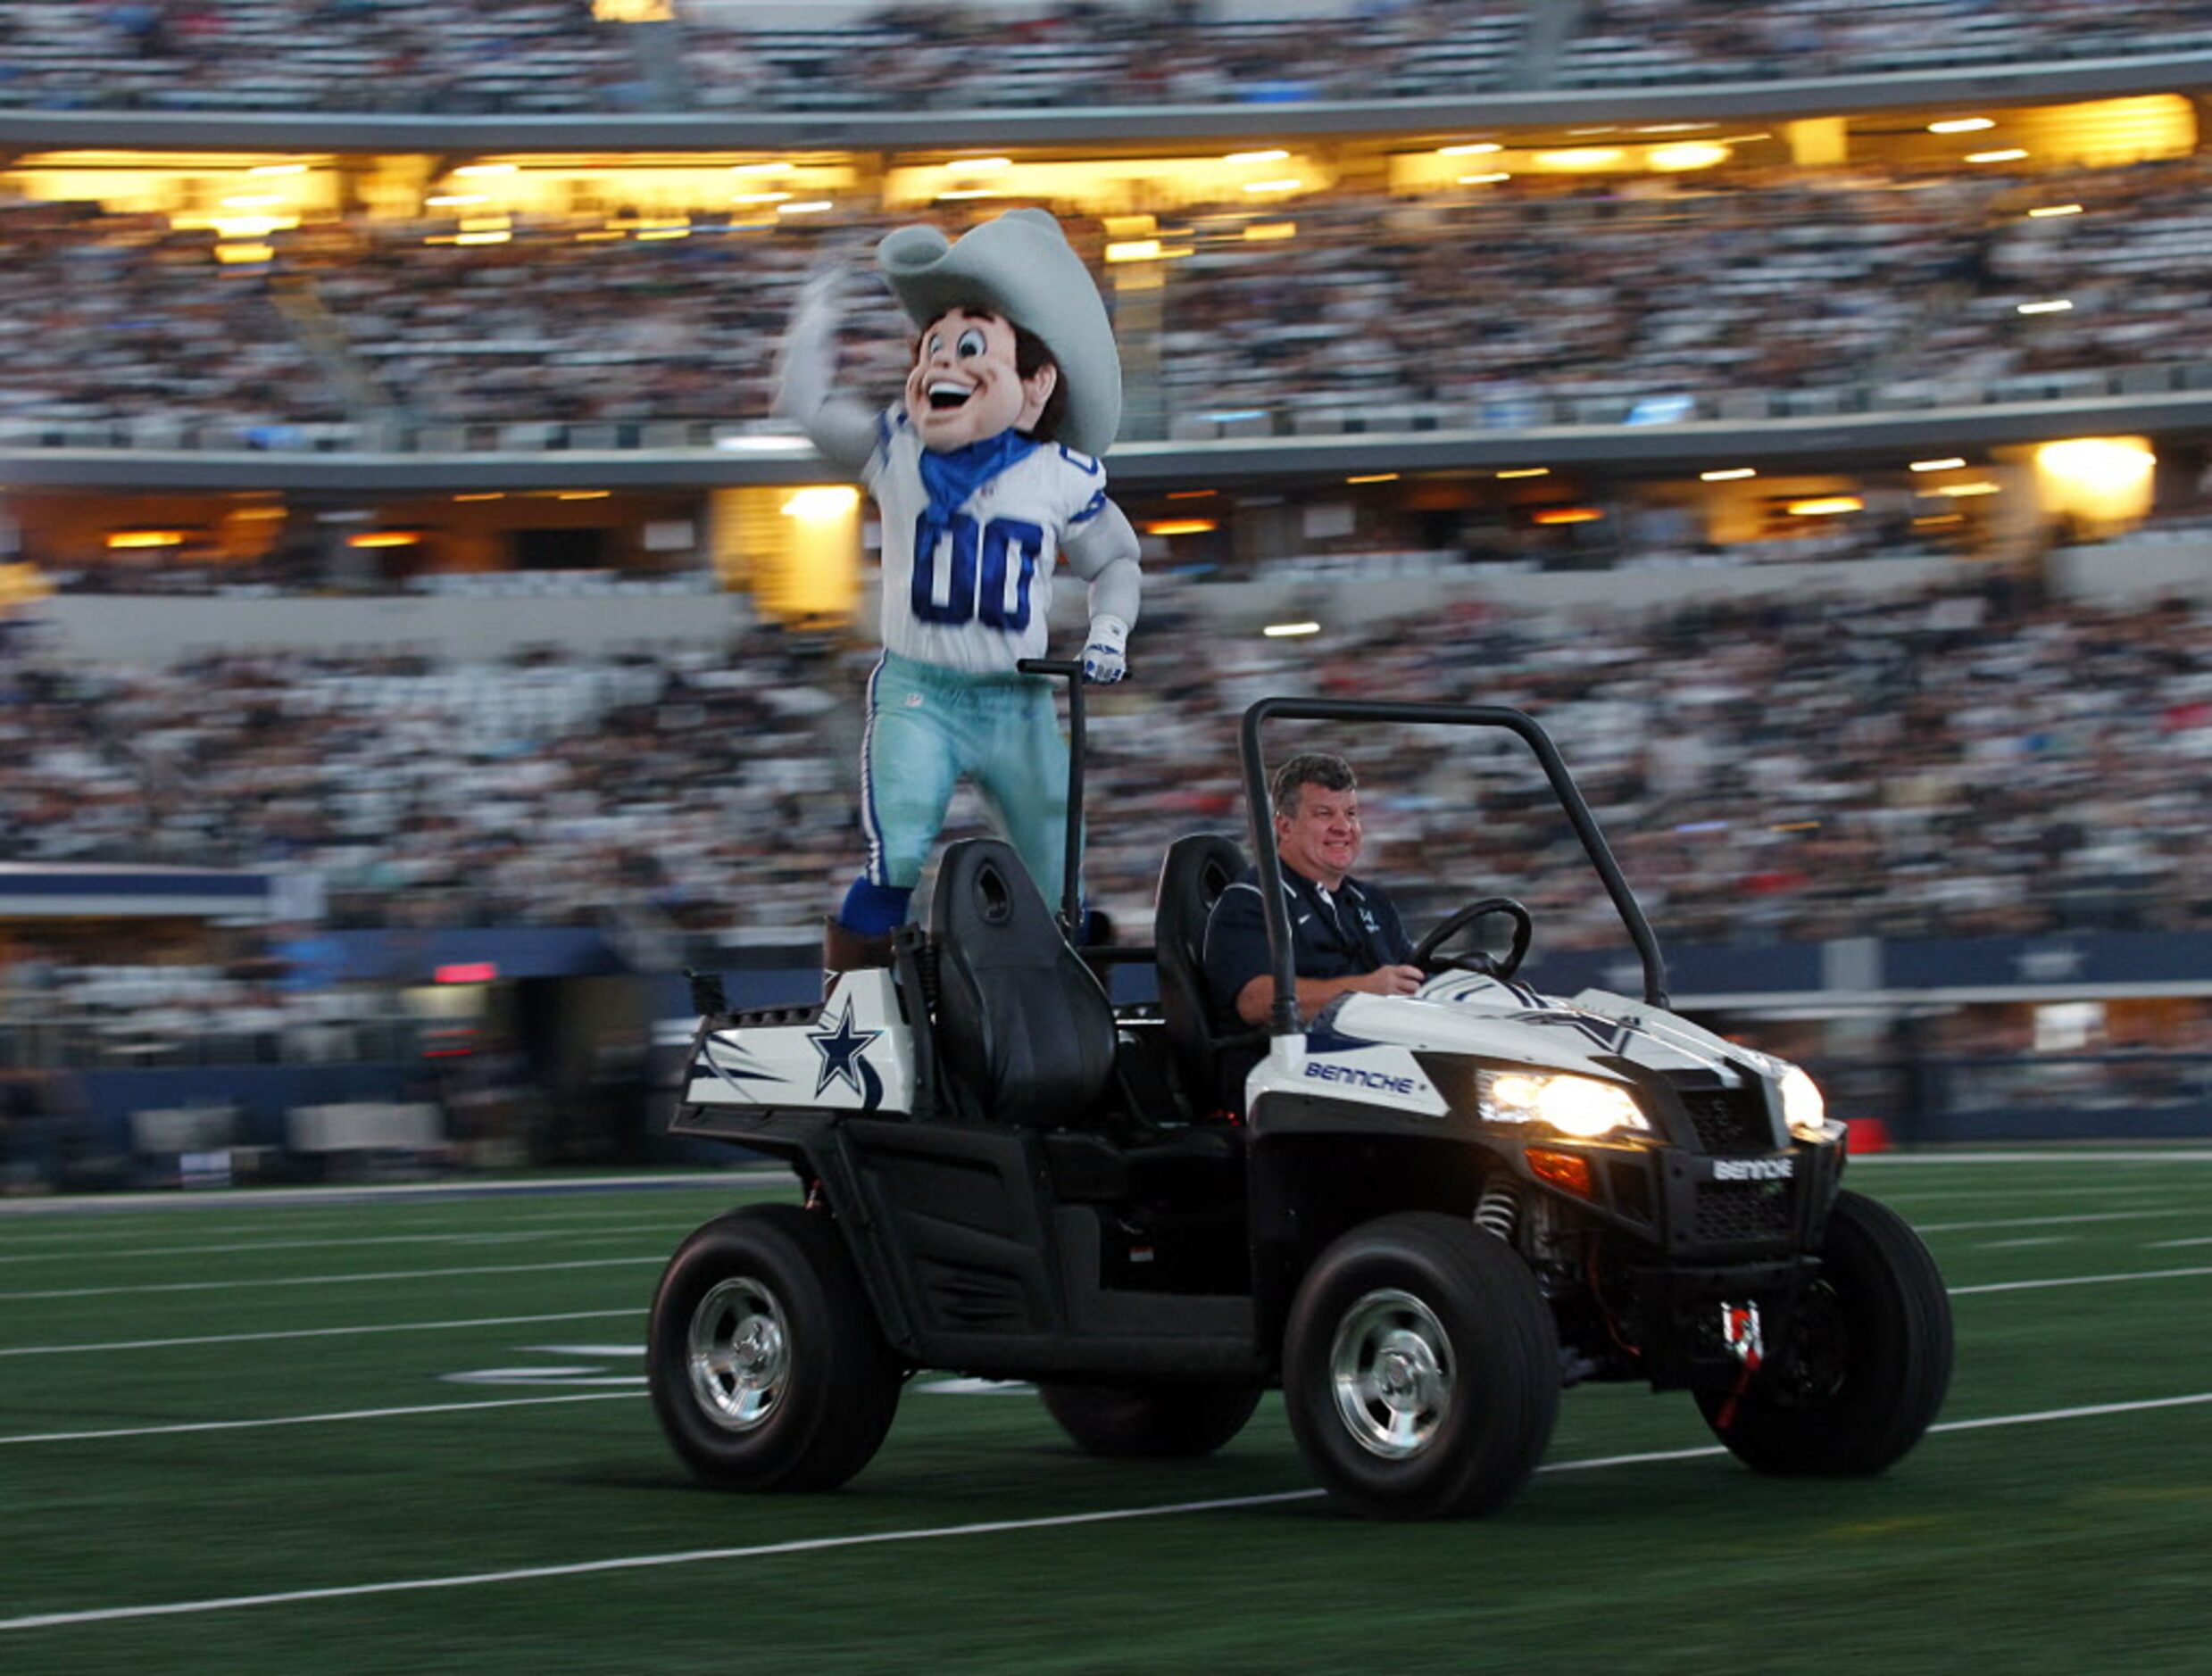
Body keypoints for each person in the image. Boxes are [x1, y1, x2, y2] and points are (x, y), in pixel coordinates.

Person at [772, 209, 1144, 970]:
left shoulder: (1058, 474)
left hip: (1018, 698)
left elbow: (1116, 562)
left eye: (969, 348)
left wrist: (1110, 631)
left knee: (1056, 871)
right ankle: (855, 1009)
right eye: (934, 347)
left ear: (1036, 384)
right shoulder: (897, 448)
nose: (941, 363)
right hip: (923, 691)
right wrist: (814, 315)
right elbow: (807, 409)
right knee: (898, 849)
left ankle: (1057, 1014)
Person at [1202, 751, 1423, 1031]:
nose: (1343, 827)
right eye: (1324, 814)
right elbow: (1255, 1001)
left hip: (1382, 1051)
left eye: (1351, 814)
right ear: (1285, 826)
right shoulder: (1252, 901)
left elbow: (1412, 979)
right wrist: (1363, 990)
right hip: (1290, 1064)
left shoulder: (1372, 903)